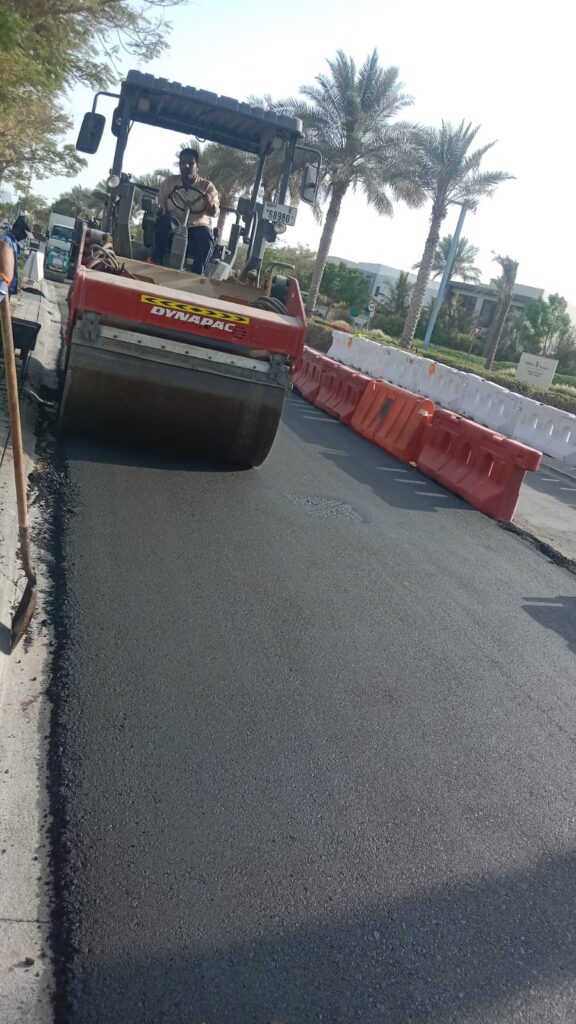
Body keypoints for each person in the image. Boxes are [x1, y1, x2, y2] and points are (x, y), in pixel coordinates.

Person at [153, 148, 219, 275]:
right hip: (174, 222)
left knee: (205, 236)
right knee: (163, 223)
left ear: (197, 167)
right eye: (183, 162)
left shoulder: (207, 186)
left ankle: (197, 274)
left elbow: (215, 212)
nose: (186, 166)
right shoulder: (170, 182)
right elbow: (161, 203)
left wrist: (210, 203)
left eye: (190, 163)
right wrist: (159, 211)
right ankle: (156, 261)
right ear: (180, 165)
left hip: (197, 226)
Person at [0, 216, 33, 301]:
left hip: (7, 286)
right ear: (18, 229)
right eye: (24, 234)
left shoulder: (14, 243)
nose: (25, 237)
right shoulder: (6, 241)